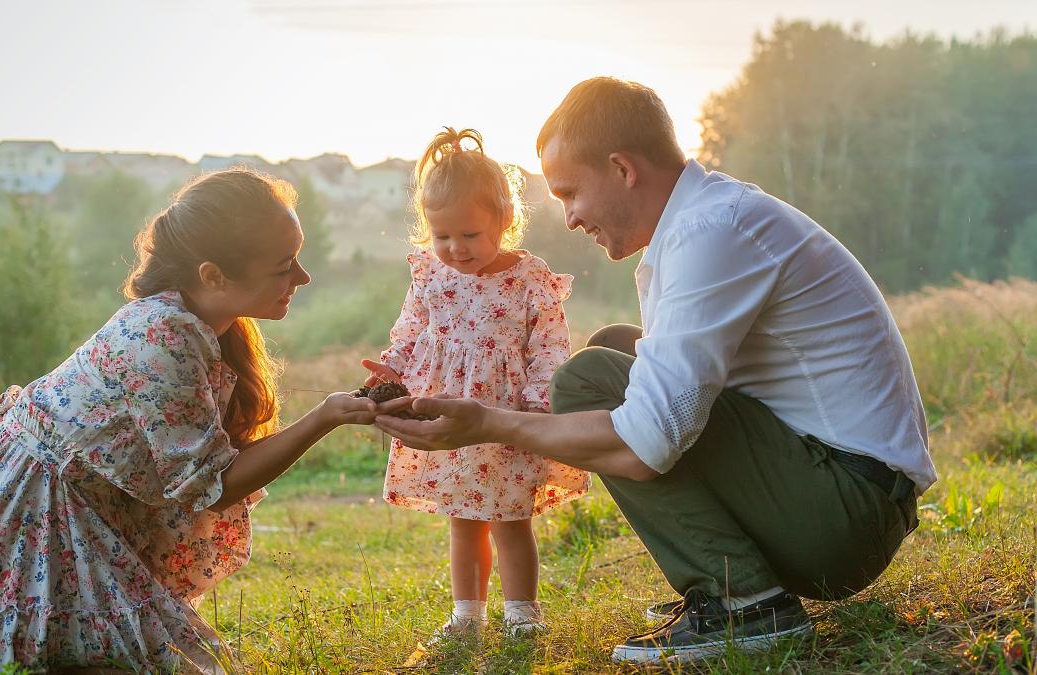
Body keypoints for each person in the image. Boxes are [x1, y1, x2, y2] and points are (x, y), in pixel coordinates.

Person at [374, 78, 938, 664]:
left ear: (622, 168)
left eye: (570, 193)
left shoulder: (711, 232)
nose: (568, 219)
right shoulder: (699, 223)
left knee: (586, 380)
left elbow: (647, 443)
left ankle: (744, 605)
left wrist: (490, 423)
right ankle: (737, 585)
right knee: (618, 348)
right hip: (837, 494)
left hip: (844, 510)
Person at [0, 169, 380, 673]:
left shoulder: (195, 322)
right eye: (284, 266)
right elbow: (209, 486)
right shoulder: (163, 337)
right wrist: (324, 417)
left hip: (65, 503)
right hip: (30, 514)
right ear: (214, 276)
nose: (303, 278)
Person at [361, 128, 589, 639]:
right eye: (442, 236)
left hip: (508, 415)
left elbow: (549, 343)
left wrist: (536, 401)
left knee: (511, 519)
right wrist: (392, 368)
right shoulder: (430, 275)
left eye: (469, 235)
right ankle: (467, 614)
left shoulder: (529, 277)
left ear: (504, 220)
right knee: (462, 518)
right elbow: (411, 328)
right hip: (446, 412)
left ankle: (522, 614)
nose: (455, 249)